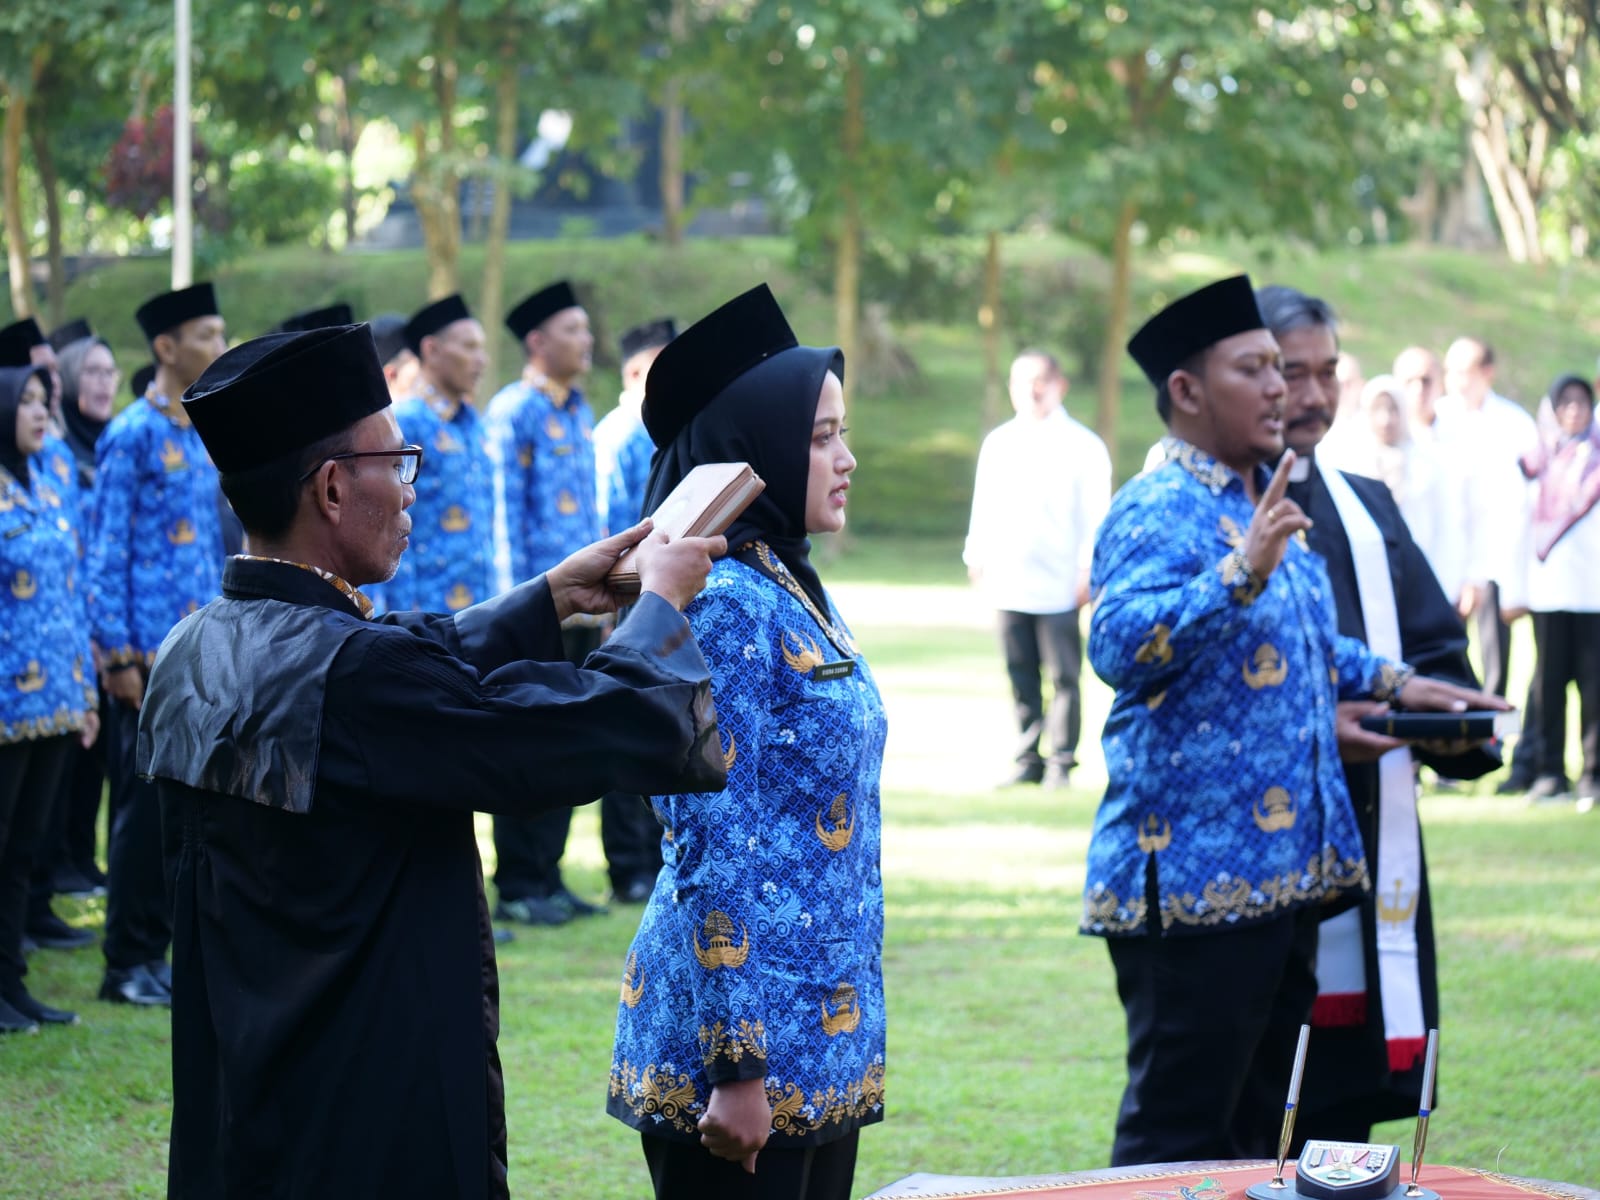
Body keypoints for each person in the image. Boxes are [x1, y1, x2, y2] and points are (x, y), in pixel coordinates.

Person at [137, 321, 728, 1199]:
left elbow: (412, 657)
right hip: (369, 1096)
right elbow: (568, 734)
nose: (412, 491)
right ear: (334, 488)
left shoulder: (195, 643)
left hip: (248, 1077)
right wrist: (662, 608)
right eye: (397, 463)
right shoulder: (359, 674)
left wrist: (549, 597)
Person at [1083, 274, 1501, 1166]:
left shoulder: (1262, 501)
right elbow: (1116, 645)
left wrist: (1400, 680)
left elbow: (1303, 646)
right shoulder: (1158, 506)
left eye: (1286, 369)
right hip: (1193, 884)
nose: (1282, 389)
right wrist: (1239, 571)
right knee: (1177, 1138)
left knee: (1261, 1138)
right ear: (1187, 393)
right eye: (1255, 370)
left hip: (1287, 881)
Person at [608, 283, 886, 1200]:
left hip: (818, 1034)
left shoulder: (785, 581)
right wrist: (736, 1067)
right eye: (819, 438)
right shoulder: (725, 605)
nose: (845, 459)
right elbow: (708, 839)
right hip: (741, 1054)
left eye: (841, 432)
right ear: (752, 449)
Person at [1256, 285, 1500, 1147]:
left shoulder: (1368, 508)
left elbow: (1434, 658)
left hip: (1371, 838)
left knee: (1345, 1120)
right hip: (1260, 853)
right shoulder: (1213, 514)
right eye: (1291, 372)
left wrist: (1459, 721)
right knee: (1244, 1118)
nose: (1314, 395)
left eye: (1328, 372)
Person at [86, 282, 228, 1006]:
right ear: (166, 348)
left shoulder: (197, 432)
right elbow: (106, 549)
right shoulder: (131, 434)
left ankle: (161, 950)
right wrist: (116, 653)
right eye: (206, 334)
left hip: (195, 646)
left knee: (183, 806)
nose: (219, 346)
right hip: (143, 654)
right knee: (139, 816)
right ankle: (125, 960)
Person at [485, 280, 609, 924]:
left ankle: (551, 876)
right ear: (536, 342)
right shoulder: (514, 411)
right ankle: (519, 884)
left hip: (584, 607)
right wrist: (518, 609)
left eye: (587, 330)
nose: (586, 342)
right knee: (528, 742)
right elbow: (503, 515)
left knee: (567, 742)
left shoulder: (577, 409)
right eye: (573, 330)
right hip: (536, 606)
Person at [0, 365, 99, 1032]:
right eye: (26, 402)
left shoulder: (47, 487)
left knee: (24, 851)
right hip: (6, 707)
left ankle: (13, 986)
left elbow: (70, 598)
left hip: (57, 702)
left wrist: (85, 692)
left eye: (44, 400)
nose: (40, 412)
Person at [964, 350, 1110, 787]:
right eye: (1022, 381)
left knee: (1064, 675)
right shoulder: (1000, 443)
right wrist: (977, 555)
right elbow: (984, 506)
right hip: (1010, 579)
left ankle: (1062, 762)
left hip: (1061, 581)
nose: (1032, 390)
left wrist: (1088, 569)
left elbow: (1095, 515)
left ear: (1059, 385)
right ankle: (1029, 757)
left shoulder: (1084, 446)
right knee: (1020, 671)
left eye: (1040, 380)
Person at [24, 327, 116, 951]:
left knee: (71, 780)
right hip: (24, 667)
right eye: (92, 373)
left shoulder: (69, 456)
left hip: (69, 647)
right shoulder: (51, 454)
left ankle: (54, 884)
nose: (101, 384)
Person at [594, 316, 678, 904]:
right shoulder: (619, 434)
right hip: (619, 601)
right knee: (622, 727)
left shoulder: (660, 431)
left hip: (662, 597)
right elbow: (601, 524)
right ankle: (628, 866)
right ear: (633, 371)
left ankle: (652, 857)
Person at [380, 294, 496, 618]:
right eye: (469, 347)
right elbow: (388, 522)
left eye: (481, 348)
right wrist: (403, 616)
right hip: (429, 614)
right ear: (431, 350)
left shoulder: (473, 423)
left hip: (480, 606)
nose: (481, 360)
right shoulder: (407, 421)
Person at [1438, 337, 1537, 698]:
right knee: (1446, 652)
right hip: (1447, 559)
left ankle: (1495, 734)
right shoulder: (1439, 419)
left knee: (1496, 658)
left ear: (1487, 373)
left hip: (1495, 558)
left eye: (1465, 371)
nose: (1457, 380)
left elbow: (1519, 502)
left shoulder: (1514, 424)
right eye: (1451, 371)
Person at [1518, 375, 1600, 807]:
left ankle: (1593, 773)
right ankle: (1550, 771)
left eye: (1581, 402)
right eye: (1564, 402)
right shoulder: (1536, 460)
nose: (1573, 410)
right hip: (1549, 590)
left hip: (1593, 593)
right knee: (1547, 685)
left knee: (1594, 687)